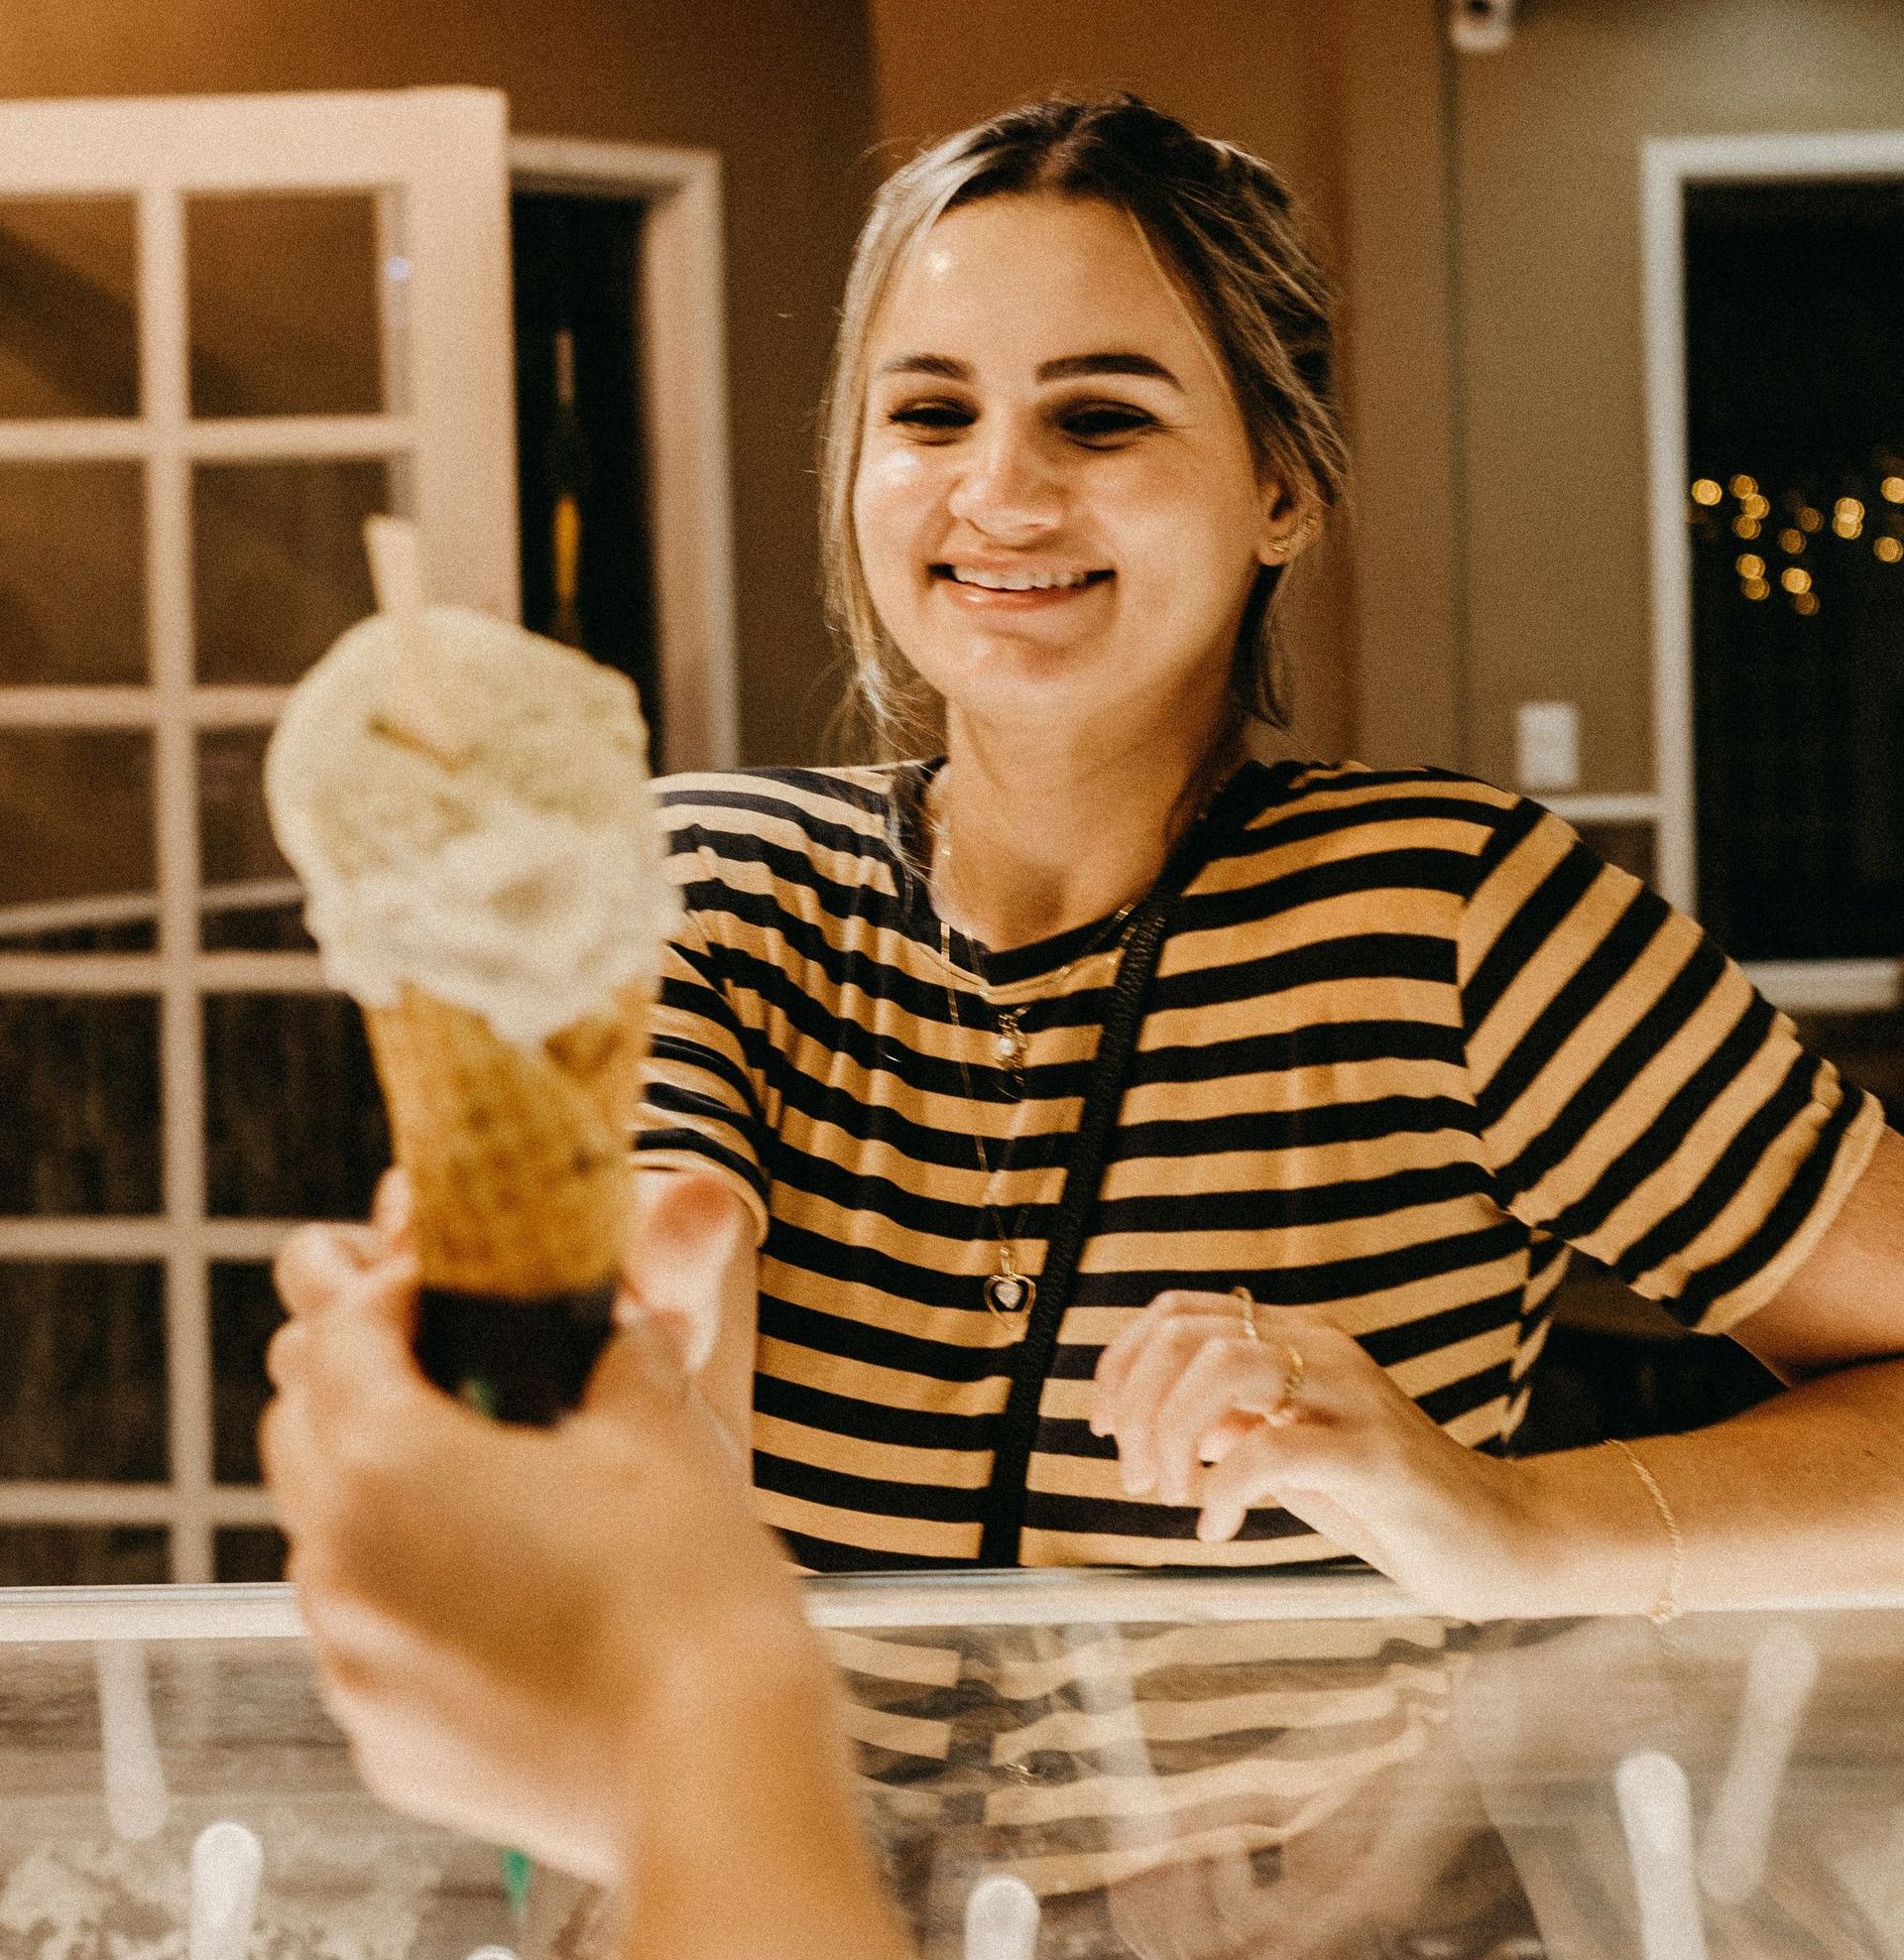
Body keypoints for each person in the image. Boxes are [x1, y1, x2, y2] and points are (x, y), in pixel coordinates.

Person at [268, 84, 1904, 1942]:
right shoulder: (700, 884)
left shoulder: (1455, 915)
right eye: (931, 411)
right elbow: (661, 1260)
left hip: (1321, 1925)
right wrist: (626, 1346)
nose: (1001, 492)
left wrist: (1509, 1519)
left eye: (1102, 415)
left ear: (1282, 485)